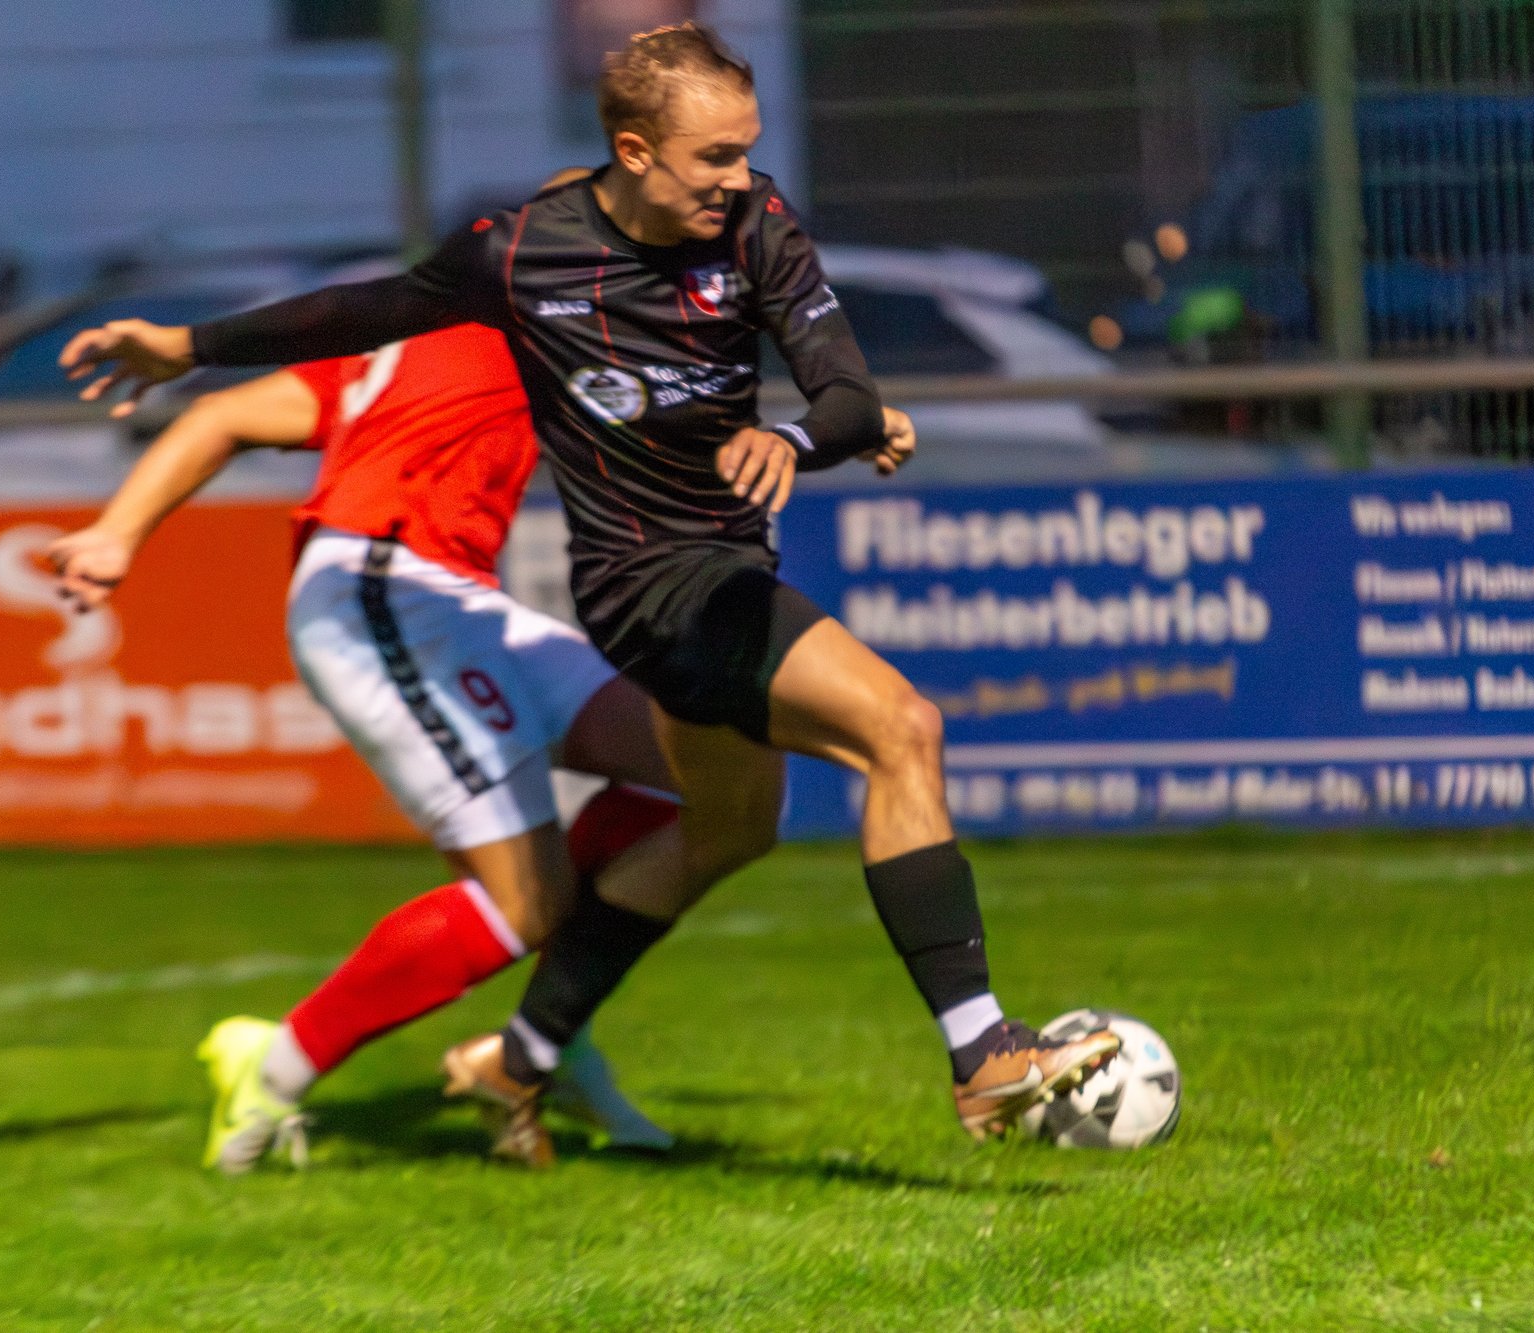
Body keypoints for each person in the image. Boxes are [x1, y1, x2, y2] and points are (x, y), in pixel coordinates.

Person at [60, 22, 1117, 1158]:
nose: (737, 179)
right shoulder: (511, 273)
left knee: (721, 826)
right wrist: (183, 348)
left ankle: (518, 1058)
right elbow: (357, 310)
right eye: (710, 157)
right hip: (572, 586)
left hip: (657, 579)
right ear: (631, 153)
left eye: (742, 152)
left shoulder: (756, 222)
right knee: (897, 730)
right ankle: (983, 1055)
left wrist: (814, 437)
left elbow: (844, 393)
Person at [49, 324, 680, 1171]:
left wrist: (118, 530)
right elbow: (226, 414)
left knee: (705, 775)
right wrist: (116, 533)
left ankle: (543, 1037)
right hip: (389, 587)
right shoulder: (513, 314)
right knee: (521, 903)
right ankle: (273, 1064)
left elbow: (222, 415)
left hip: (451, 598)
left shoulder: (417, 338)